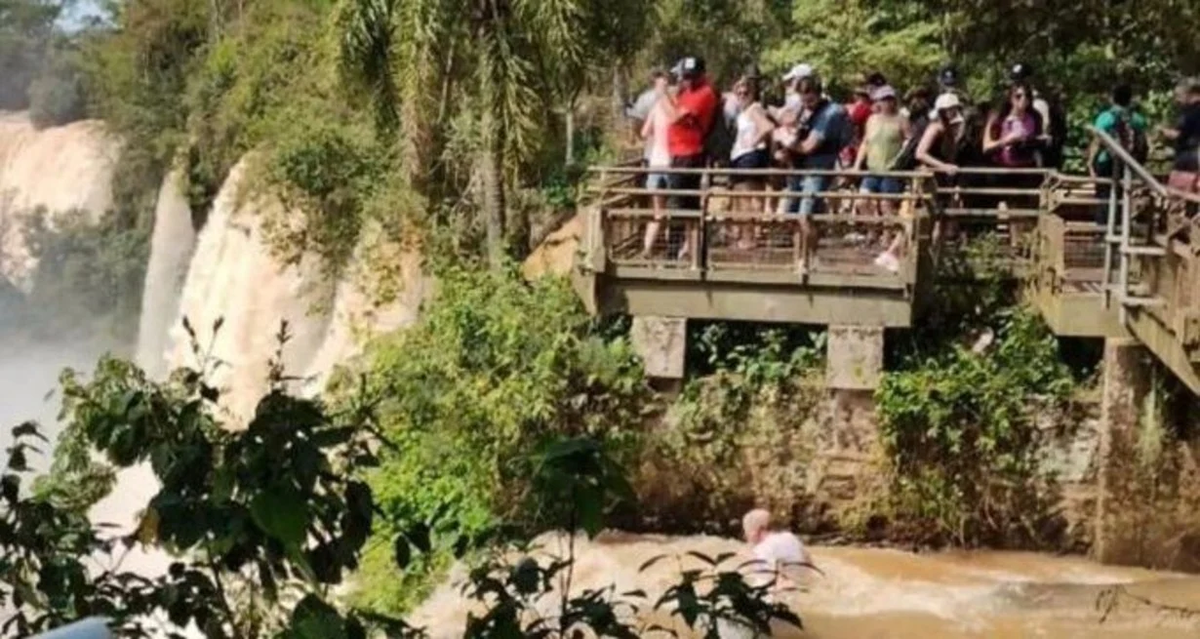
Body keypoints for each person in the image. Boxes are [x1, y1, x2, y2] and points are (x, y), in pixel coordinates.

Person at [875, 92, 965, 273]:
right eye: (948, 109)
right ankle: (893, 254)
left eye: (954, 109)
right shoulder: (935, 128)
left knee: (936, 221)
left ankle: (931, 260)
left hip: (940, 181)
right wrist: (943, 166)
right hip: (929, 180)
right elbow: (920, 153)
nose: (952, 112)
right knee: (918, 219)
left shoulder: (950, 130)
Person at [785, 74, 852, 273]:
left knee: (806, 215)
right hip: (798, 169)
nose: (806, 100)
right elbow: (788, 123)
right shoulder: (803, 110)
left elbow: (809, 146)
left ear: (818, 92)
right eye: (802, 95)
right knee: (791, 215)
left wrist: (787, 142)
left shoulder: (830, 113)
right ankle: (799, 257)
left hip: (817, 169)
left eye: (810, 95)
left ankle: (810, 258)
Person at [659, 56, 719, 259]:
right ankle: (691, 253)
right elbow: (676, 104)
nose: (688, 80)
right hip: (678, 153)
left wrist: (661, 94)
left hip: (689, 155)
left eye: (692, 76)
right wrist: (673, 87)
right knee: (684, 206)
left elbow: (674, 117)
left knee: (679, 205)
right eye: (685, 76)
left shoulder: (704, 93)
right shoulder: (687, 91)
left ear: (702, 75)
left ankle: (674, 253)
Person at [1088, 84, 1148, 224]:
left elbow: (1097, 141)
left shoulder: (1105, 117)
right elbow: (1142, 142)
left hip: (1106, 160)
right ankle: (1121, 225)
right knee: (1123, 193)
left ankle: (1103, 228)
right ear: (1130, 99)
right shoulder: (1137, 119)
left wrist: (1090, 163)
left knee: (1104, 194)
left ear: (1112, 98)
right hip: (1128, 162)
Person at [982, 82, 1043, 209]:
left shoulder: (1035, 117)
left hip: (1026, 169)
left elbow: (1038, 139)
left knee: (1023, 210)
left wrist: (1034, 141)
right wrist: (1006, 141)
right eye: (1018, 96)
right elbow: (986, 147)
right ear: (1011, 98)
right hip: (1002, 170)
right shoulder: (998, 118)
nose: (1023, 99)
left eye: (1027, 96)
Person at [853, 84, 909, 219]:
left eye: (890, 99)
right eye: (884, 99)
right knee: (861, 202)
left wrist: (902, 159)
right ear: (878, 101)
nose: (887, 103)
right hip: (872, 169)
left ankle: (888, 231)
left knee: (886, 204)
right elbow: (865, 143)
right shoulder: (871, 120)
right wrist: (857, 165)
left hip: (891, 170)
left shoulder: (901, 119)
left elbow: (909, 141)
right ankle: (873, 228)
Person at [729, 76, 774, 227]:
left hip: (749, 158)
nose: (742, 95)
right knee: (747, 199)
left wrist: (752, 143)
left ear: (752, 93)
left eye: (746, 93)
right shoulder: (743, 111)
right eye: (739, 93)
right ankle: (751, 232)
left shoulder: (754, 109)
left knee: (747, 200)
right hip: (742, 157)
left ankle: (750, 234)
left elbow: (767, 127)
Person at [639, 72, 674, 258]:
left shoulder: (655, 108)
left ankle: (648, 248)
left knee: (658, 211)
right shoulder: (673, 107)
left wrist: (656, 136)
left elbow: (644, 133)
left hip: (655, 161)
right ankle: (669, 248)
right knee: (671, 207)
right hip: (670, 162)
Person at [742, 509, 816, 591]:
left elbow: (766, 582)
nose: (746, 536)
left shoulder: (763, 549)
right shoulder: (789, 537)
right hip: (802, 582)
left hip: (786, 589)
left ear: (758, 530)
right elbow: (809, 562)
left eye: (747, 530)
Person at [1160, 78, 1200, 200]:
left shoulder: (1190, 112)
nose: (1177, 100)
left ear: (1190, 94)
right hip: (1194, 156)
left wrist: (1163, 131)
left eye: (1179, 96)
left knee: (1178, 196)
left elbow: (1180, 134)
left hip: (1188, 157)